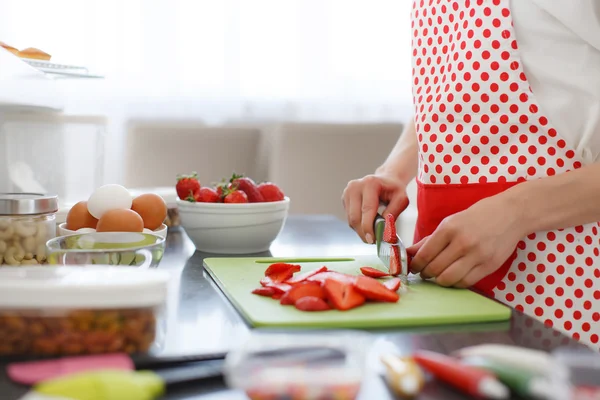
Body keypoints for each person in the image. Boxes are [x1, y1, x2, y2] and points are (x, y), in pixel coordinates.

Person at [342, 0, 600, 350]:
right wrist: (394, 170)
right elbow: (452, 87)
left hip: (561, 291)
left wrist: (515, 212)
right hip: (443, 298)